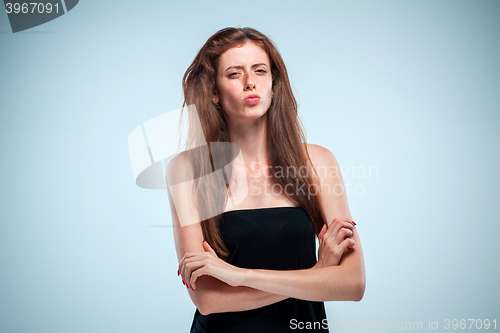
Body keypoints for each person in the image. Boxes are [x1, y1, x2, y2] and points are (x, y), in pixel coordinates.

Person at [166, 27, 365, 333]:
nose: (250, 82)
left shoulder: (317, 163)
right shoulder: (188, 170)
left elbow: (352, 284)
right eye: (234, 73)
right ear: (214, 92)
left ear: (273, 83)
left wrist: (240, 275)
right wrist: (318, 274)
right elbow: (207, 298)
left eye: (260, 70)